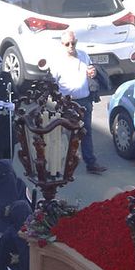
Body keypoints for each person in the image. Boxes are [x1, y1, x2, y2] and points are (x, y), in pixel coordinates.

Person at [45, 30, 105, 174]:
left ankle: (90, 163)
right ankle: (65, 165)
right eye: (67, 44)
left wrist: (93, 73)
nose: (71, 46)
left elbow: (91, 71)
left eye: (73, 43)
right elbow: (52, 82)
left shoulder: (83, 55)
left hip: (84, 101)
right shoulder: (57, 60)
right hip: (67, 103)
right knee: (66, 133)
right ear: (62, 44)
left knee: (86, 132)